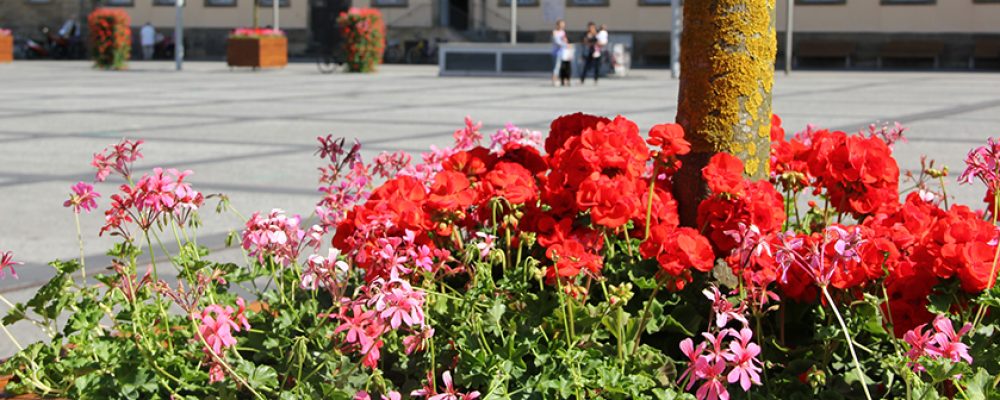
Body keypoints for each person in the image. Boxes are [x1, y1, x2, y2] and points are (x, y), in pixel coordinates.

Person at [551, 20, 568, 87]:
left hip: (562, 52)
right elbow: (557, 42)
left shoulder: (563, 32)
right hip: (556, 52)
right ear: (557, 25)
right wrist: (563, 43)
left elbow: (565, 40)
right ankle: (554, 80)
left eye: (563, 24)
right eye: (561, 24)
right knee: (556, 67)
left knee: (561, 67)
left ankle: (561, 80)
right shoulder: (554, 32)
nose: (562, 26)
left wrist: (565, 43)